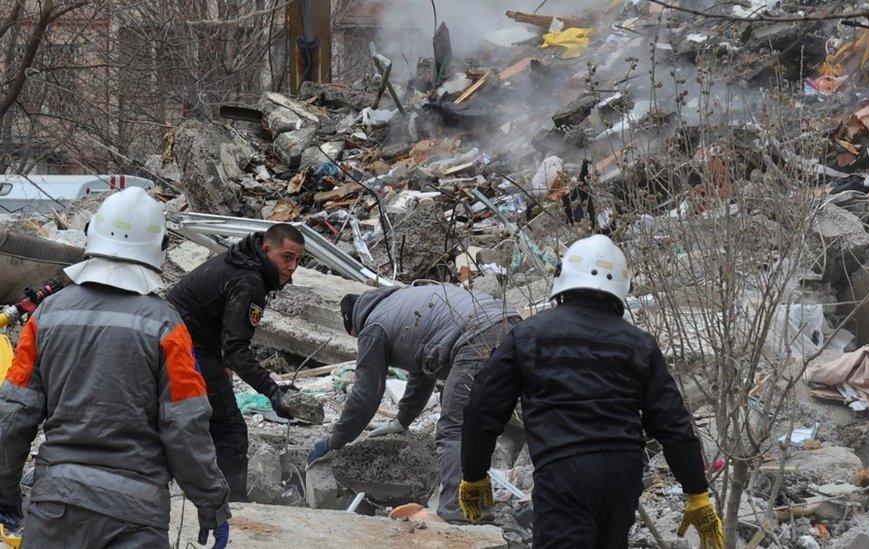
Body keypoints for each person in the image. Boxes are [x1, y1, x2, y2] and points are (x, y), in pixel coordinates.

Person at [458, 235, 724, 548]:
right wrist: (697, 493)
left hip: (564, 472)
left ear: (562, 279)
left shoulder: (528, 335)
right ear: (622, 289)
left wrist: (474, 473)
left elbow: (483, 408)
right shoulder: (639, 345)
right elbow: (673, 424)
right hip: (623, 473)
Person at [0, 187, 230, 548]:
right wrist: (211, 503)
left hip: (56, 509)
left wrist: (4, 491)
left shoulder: (46, 316)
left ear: (93, 233)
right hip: (134, 518)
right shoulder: (167, 327)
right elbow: (186, 428)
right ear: (159, 247)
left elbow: (13, 416)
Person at [306, 283, 520, 521]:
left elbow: (365, 394)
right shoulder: (400, 305)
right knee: (484, 423)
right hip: (509, 321)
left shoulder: (372, 327)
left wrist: (334, 441)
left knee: (454, 430)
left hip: (477, 334)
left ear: (352, 329)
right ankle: (480, 505)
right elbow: (424, 370)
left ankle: (458, 514)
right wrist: (402, 420)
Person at [167, 223, 306, 501]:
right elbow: (236, 350)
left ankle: (202, 491)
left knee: (205, 420)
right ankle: (233, 508)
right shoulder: (249, 281)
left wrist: (222, 363)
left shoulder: (242, 259)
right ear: (267, 250)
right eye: (287, 257)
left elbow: (217, 319)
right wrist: (274, 391)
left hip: (178, 336)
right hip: (183, 346)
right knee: (230, 431)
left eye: (298, 260)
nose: (292, 267)